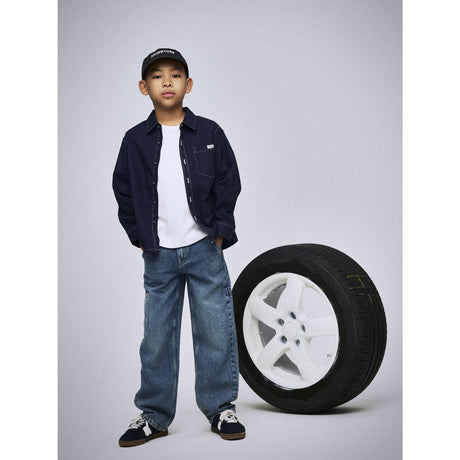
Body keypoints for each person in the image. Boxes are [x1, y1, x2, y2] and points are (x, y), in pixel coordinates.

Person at [112, 48, 245, 447]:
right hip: (159, 254)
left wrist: (219, 231)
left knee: (215, 332)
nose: (166, 81)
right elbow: (123, 190)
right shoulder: (135, 140)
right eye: (157, 76)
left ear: (188, 84)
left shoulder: (210, 133)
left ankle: (220, 408)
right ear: (144, 87)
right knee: (157, 338)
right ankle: (154, 415)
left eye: (175, 75)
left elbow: (228, 181)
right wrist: (139, 235)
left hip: (204, 247)